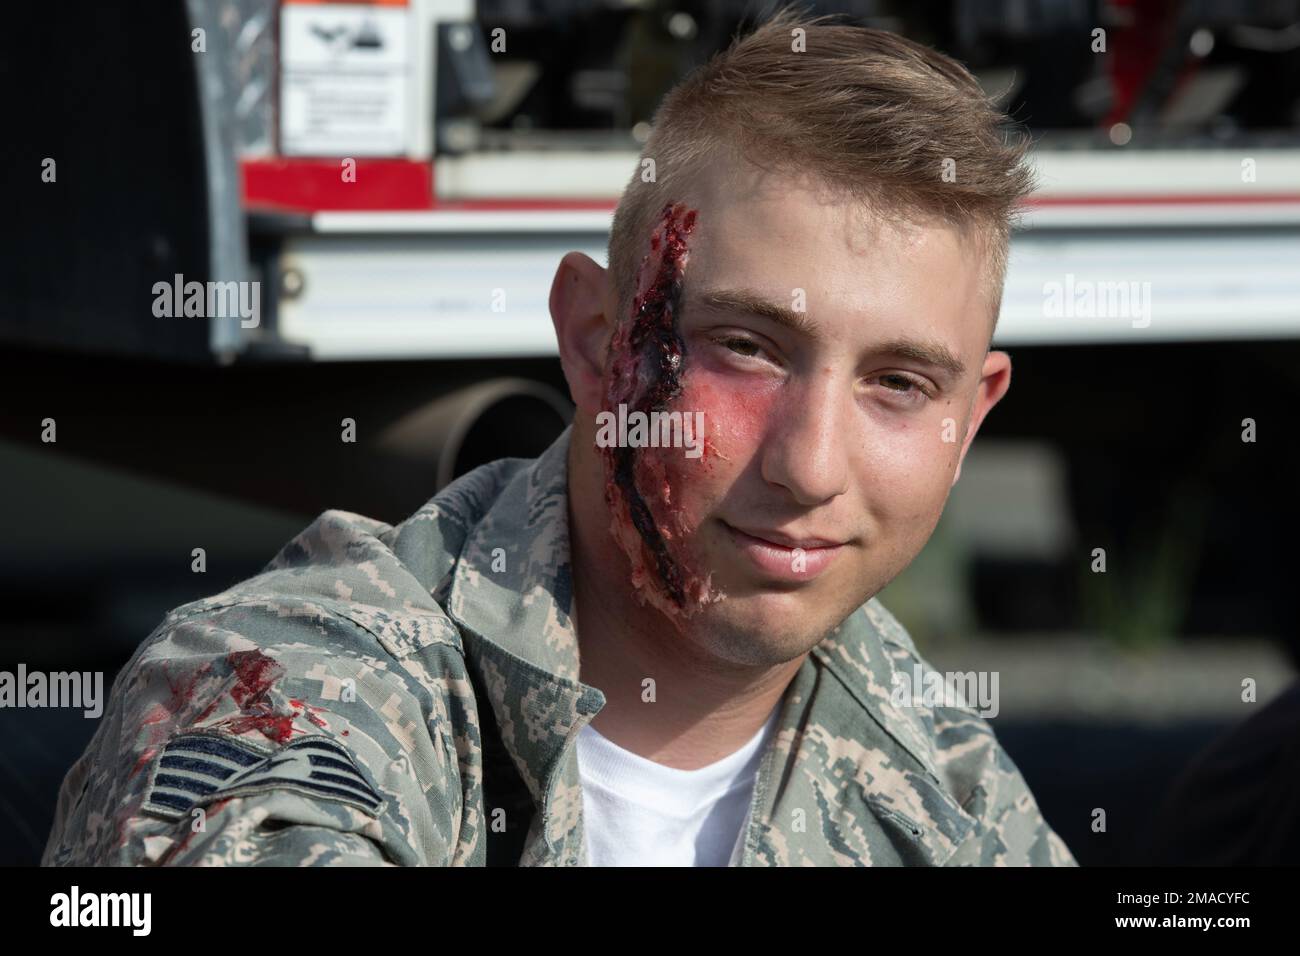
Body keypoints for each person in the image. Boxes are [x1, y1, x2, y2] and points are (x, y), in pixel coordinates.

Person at [43, 7, 1076, 867]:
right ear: (593, 342)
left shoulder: (942, 780)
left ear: (968, 417)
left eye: (897, 383)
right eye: (746, 349)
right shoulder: (296, 691)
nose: (809, 465)